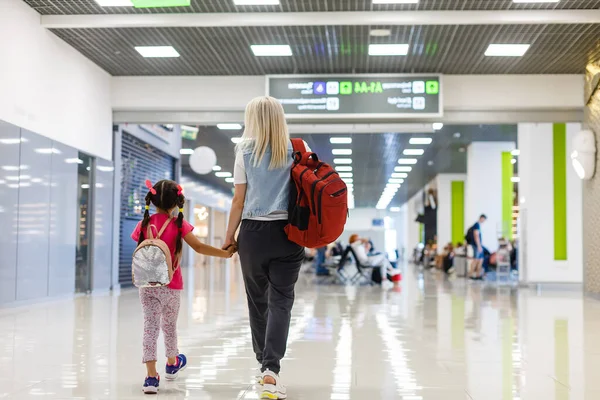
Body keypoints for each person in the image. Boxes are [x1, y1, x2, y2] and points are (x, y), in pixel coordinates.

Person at [222, 96, 311, 400]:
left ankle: (264, 367)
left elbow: (238, 200)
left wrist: (229, 235)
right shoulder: (298, 149)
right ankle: (271, 370)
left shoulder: (244, 150)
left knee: (257, 300)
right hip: (289, 233)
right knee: (282, 301)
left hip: (253, 233)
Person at [131, 179, 235, 394]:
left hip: (147, 285)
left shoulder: (143, 224)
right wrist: (224, 253)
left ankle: (151, 378)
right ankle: (171, 363)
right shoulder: (179, 224)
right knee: (169, 327)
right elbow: (198, 247)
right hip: (171, 285)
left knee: (150, 328)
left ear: (153, 201)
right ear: (176, 202)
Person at [468, 214, 487, 280]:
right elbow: (476, 236)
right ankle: (471, 274)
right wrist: (479, 246)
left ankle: (478, 274)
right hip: (476, 245)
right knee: (475, 259)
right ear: (481, 218)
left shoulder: (477, 225)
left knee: (480, 259)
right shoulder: (476, 225)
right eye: (484, 219)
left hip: (477, 245)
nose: (484, 221)